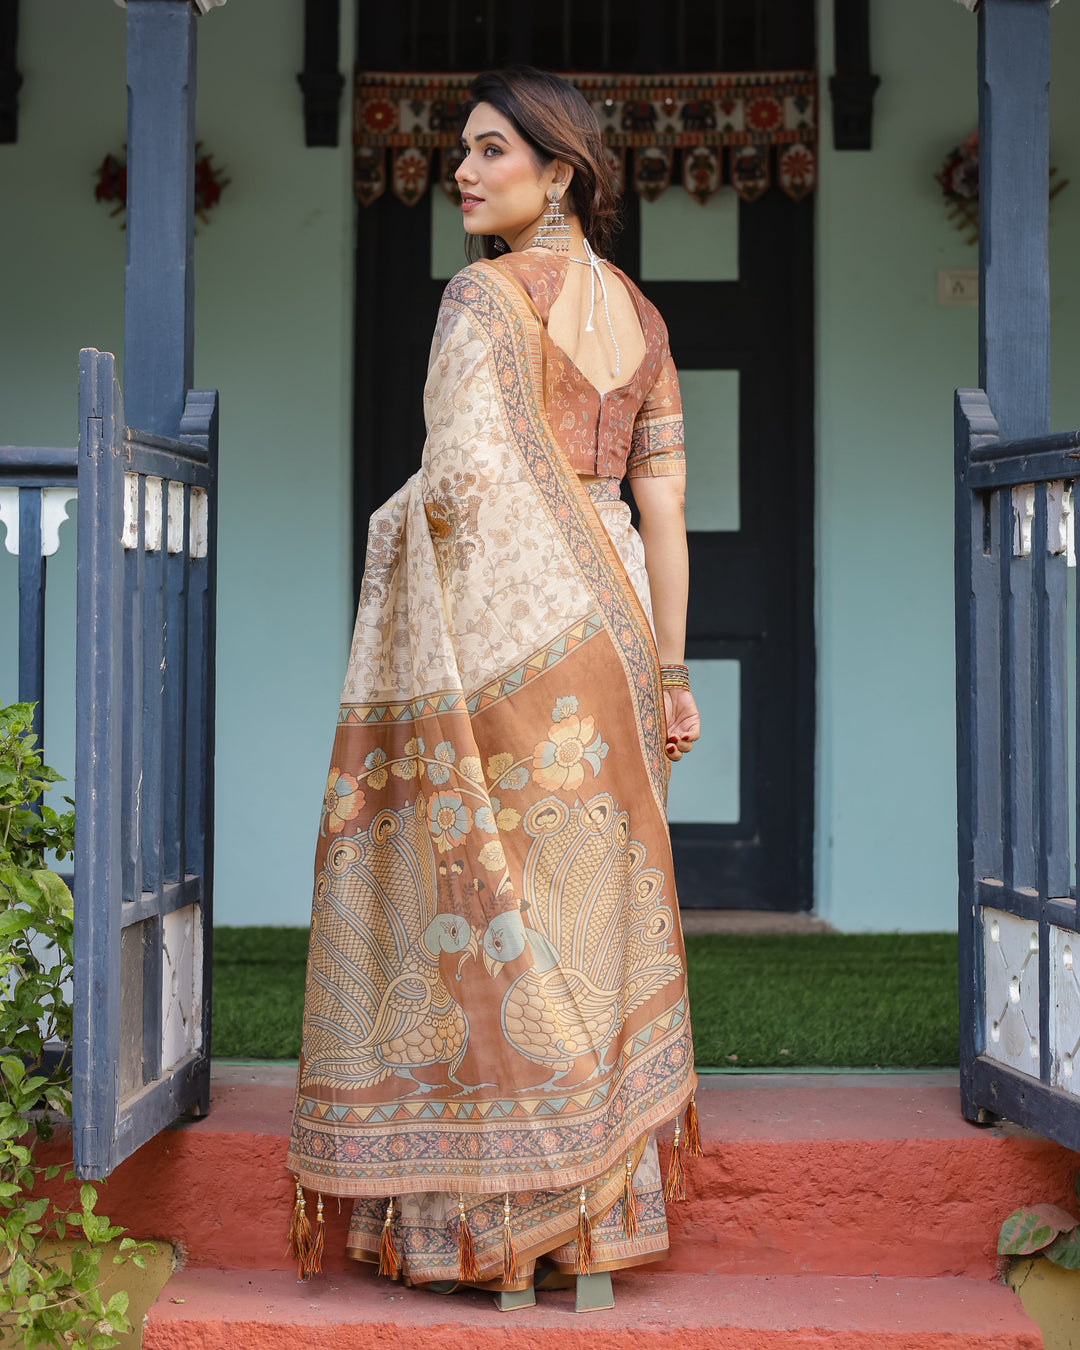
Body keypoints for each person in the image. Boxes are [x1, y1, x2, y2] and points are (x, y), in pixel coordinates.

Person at [286, 65, 702, 1310]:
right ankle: (589, 1230)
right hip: (615, 630)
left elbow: (459, 489)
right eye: (460, 151)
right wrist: (669, 671)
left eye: (489, 152)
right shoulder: (641, 317)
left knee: (490, 909)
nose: (461, 172)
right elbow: (667, 507)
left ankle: (489, 1236)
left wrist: (404, 568)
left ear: (557, 171)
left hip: (508, 640)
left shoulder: (478, 297)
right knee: (584, 921)